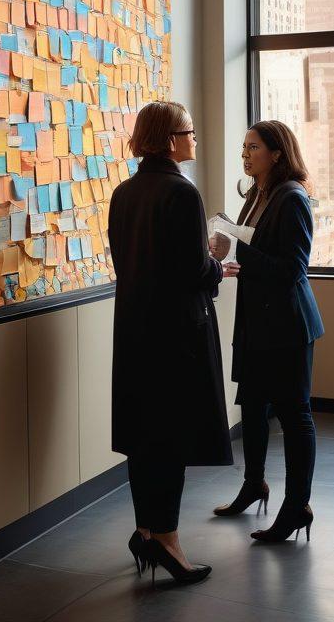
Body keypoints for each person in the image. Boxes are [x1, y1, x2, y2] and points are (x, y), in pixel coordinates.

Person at [108, 100, 236, 585]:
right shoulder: (182, 193)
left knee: (145, 436)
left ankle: (145, 530)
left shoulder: (125, 193)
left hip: (135, 329)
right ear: (169, 140)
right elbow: (191, 271)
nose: (195, 139)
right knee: (172, 437)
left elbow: (133, 262)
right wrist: (216, 264)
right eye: (190, 131)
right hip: (176, 334)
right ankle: (167, 538)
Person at [211, 120, 324, 543]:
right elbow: (255, 254)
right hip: (257, 322)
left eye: (253, 147)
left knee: (295, 417)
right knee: (253, 406)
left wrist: (238, 249)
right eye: (243, 147)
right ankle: (254, 485)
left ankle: (297, 507)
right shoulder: (257, 195)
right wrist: (228, 248)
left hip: (288, 326)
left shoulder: (292, 197)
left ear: (277, 153)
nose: (245, 154)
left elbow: (293, 269)